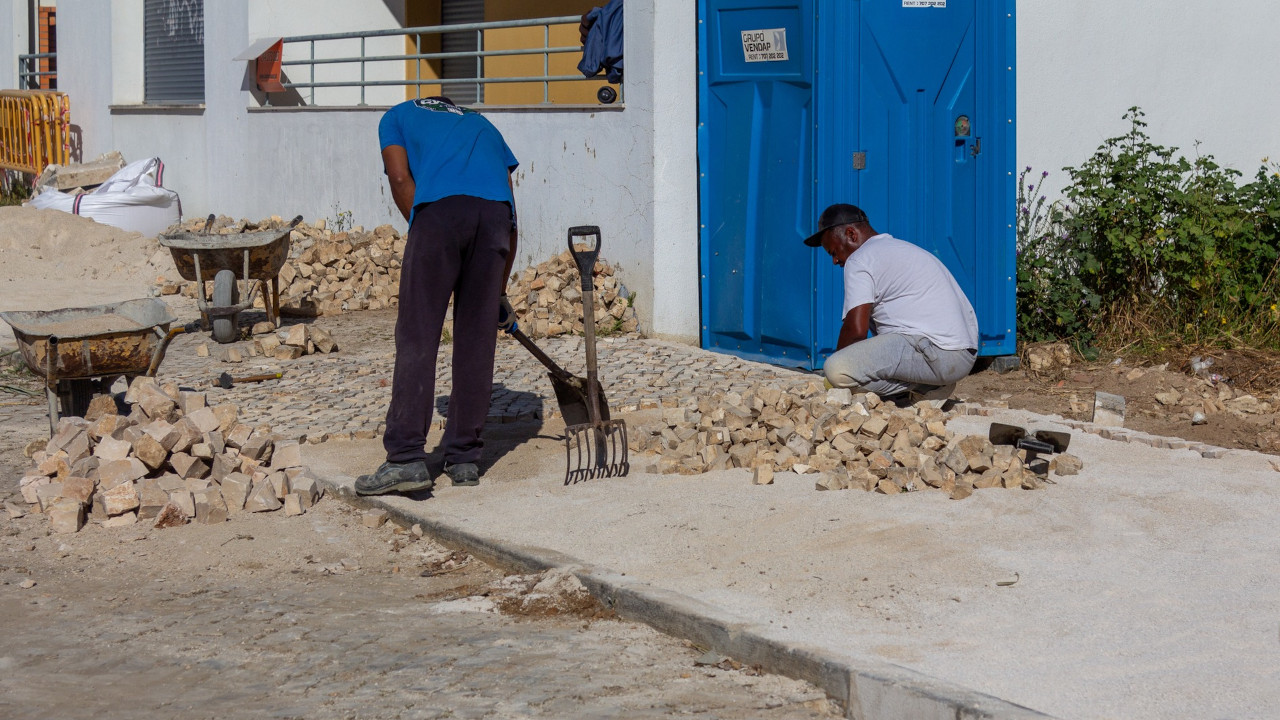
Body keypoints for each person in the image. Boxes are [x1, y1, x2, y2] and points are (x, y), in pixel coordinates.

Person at [356, 96, 520, 496]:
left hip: (439, 214)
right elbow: (510, 210)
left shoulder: (396, 115)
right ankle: (464, 457)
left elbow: (399, 178)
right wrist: (499, 290)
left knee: (418, 333)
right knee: (476, 340)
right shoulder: (483, 123)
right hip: (494, 220)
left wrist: (425, 229)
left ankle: (406, 458)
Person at [805, 203, 979, 402]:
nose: (835, 261)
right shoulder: (900, 248)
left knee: (837, 370)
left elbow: (856, 330)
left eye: (834, 252)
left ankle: (926, 387)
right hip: (962, 355)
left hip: (936, 352)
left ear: (851, 234)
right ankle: (930, 386)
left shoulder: (859, 259)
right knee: (858, 366)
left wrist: (835, 374)